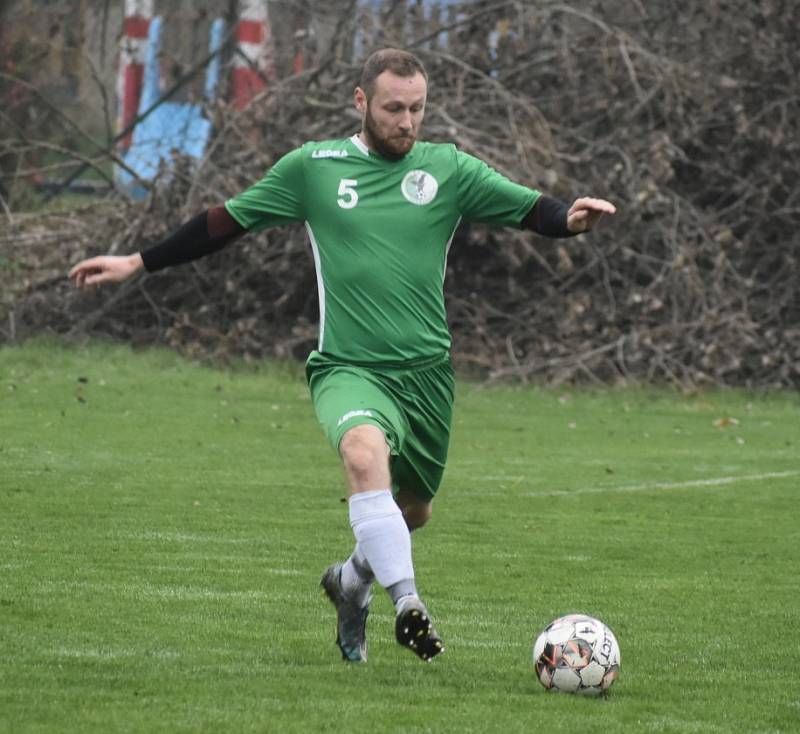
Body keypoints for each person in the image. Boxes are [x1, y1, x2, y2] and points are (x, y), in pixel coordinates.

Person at [69, 48, 615, 664]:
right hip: (347, 367)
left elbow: (526, 207)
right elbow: (227, 221)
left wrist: (568, 219)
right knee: (361, 455)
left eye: (417, 109)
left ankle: (352, 582)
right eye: (393, 109)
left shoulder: (447, 168)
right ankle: (409, 605)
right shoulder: (315, 168)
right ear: (361, 103)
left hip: (427, 375)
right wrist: (139, 262)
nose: (408, 122)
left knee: (414, 510)